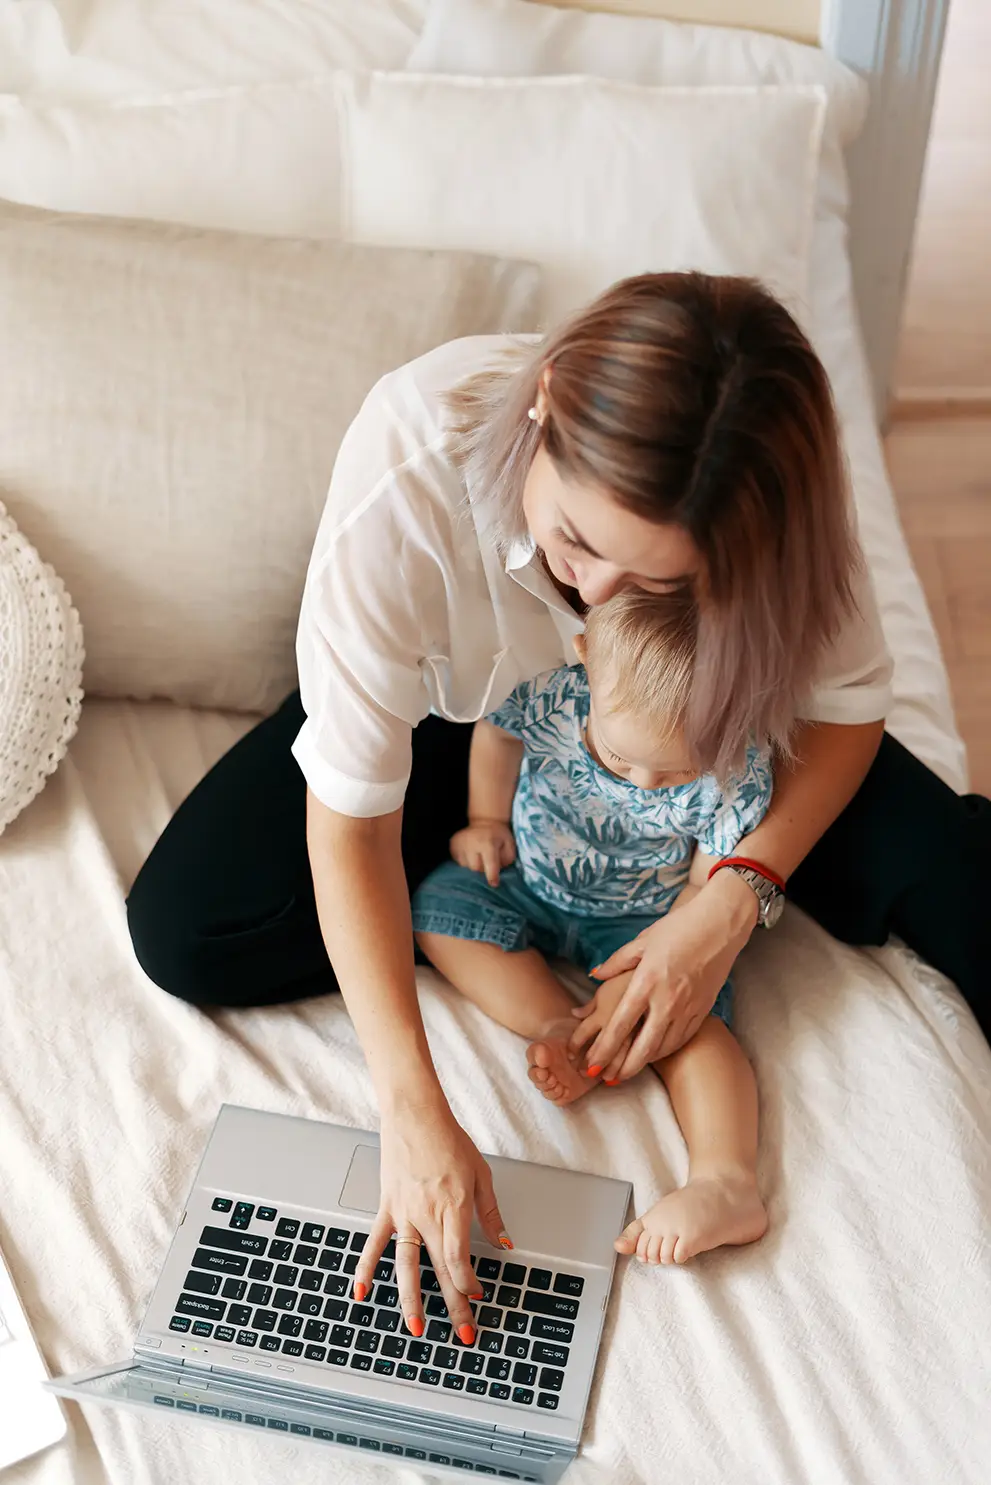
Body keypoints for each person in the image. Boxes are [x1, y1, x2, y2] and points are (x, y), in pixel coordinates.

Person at [126, 273, 990, 1350]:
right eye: (579, 547)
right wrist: (412, 1106)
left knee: (966, 882)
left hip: (695, 737)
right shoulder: (407, 476)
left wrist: (728, 901)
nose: (597, 605)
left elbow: (849, 714)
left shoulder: (768, 505)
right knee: (188, 932)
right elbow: (347, 821)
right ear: (542, 408)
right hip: (471, 716)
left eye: (663, 582)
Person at [412, 592, 772, 1266]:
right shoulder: (548, 692)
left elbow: (705, 887)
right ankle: (563, 1027)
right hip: (535, 884)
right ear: (583, 659)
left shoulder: (735, 764)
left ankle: (726, 1180)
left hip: (646, 921)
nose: (642, 781)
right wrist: (486, 820)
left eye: (671, 773)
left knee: (689, 1027)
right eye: (618, 755)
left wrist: (660, 959)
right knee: (440, 908)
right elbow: (497, 736)